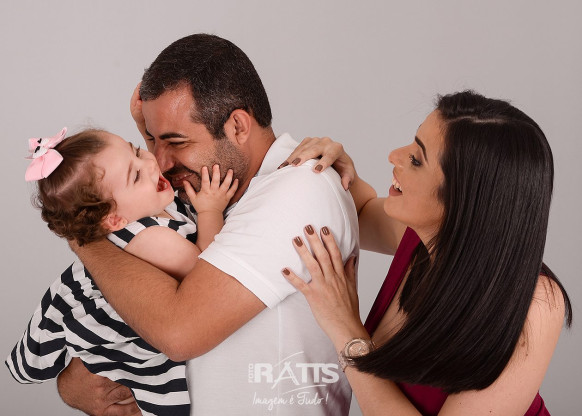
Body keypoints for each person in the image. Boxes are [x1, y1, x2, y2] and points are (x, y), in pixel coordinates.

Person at [55, 33, 359, 415]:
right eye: (150, 139)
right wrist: (79, 382)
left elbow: (179, 333)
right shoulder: (208, 192)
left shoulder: (297, 189)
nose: (160, 162)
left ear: (238, 127)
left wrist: (82, 232)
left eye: (176, 141)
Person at [280, 90, 573, 415]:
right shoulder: (423, 235)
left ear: (463, 200)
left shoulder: (537, 305)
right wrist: (337, 167)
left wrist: (345, 329)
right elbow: (358, 212)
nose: (394, 155)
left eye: (416, 160)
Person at [6, 127, 237, 416]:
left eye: (136, 150)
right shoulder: (149, 236)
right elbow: (206, 271)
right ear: (114, 219)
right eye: (136, 175)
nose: (149, 162)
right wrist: (210, 210)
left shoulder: (144, 207)